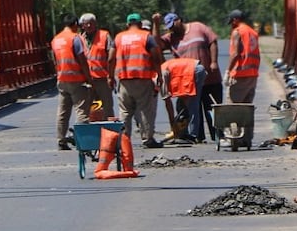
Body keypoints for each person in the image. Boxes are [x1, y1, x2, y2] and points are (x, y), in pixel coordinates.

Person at [152, 12, 222, 142]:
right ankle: (197, 136)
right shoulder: (170, 38)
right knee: (190, 108)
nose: (172, 28)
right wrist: (155, 24)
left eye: (173, 25)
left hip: (210, 78)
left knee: (213, 109)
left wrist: (213, 61)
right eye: (169, 27)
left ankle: (217, 137)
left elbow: (213, 42)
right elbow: (155, 44)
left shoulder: (198, 27)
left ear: (179, 20)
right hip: (187, 79)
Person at [112, 12, 164, 148]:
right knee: (144, 109)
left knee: (125, 111)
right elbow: (156, 57)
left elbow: (111, 58)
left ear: (128, 24)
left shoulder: (118, 38)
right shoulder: (146, 37)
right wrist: (159, 75)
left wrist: (110, 76)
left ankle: (123, 139)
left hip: (124, 79)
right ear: (140, 24)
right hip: (142, 78)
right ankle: (147, 139)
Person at [51, 13, 93, 150]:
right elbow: (82, 59)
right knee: (81, 110)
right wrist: (89, 78)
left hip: (62, 79)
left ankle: (61, 140)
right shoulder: (75, 38)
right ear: (75, 24)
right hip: (76, 79)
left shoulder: (56, 39)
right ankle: (80, 140)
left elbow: (55, 60)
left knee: (63, 111)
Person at [224, 9, 261, 145]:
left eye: (232, 22)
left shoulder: (238, 32)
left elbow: (235, 54)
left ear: (235, 20)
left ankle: (234, 138)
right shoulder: (252, 32)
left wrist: (228, 71)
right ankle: (247, 139)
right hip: (252, 74)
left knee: (233, 106)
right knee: (247, 107)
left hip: (240, 74)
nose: (231, 25)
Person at [159, 57, 207, 143]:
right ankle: (183, 132)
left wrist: (172, 124)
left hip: (195, 71)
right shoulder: (160, 71)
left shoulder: (159, 77)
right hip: (189, 71)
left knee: (192, 104)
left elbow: (168, 103)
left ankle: (193, 136)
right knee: (181, 105)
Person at [79, 12, 115, 119]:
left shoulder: (104, 36)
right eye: (86, 24)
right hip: (87, 79)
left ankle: (109, 132)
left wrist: (111, 76)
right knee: (87, 108)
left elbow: (111, 56)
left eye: (91, 23)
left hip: (102, 78)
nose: (89, 26)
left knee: (107, 107)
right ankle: (90, 131)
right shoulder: (80, 38)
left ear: (96, 24)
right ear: (82, 26)